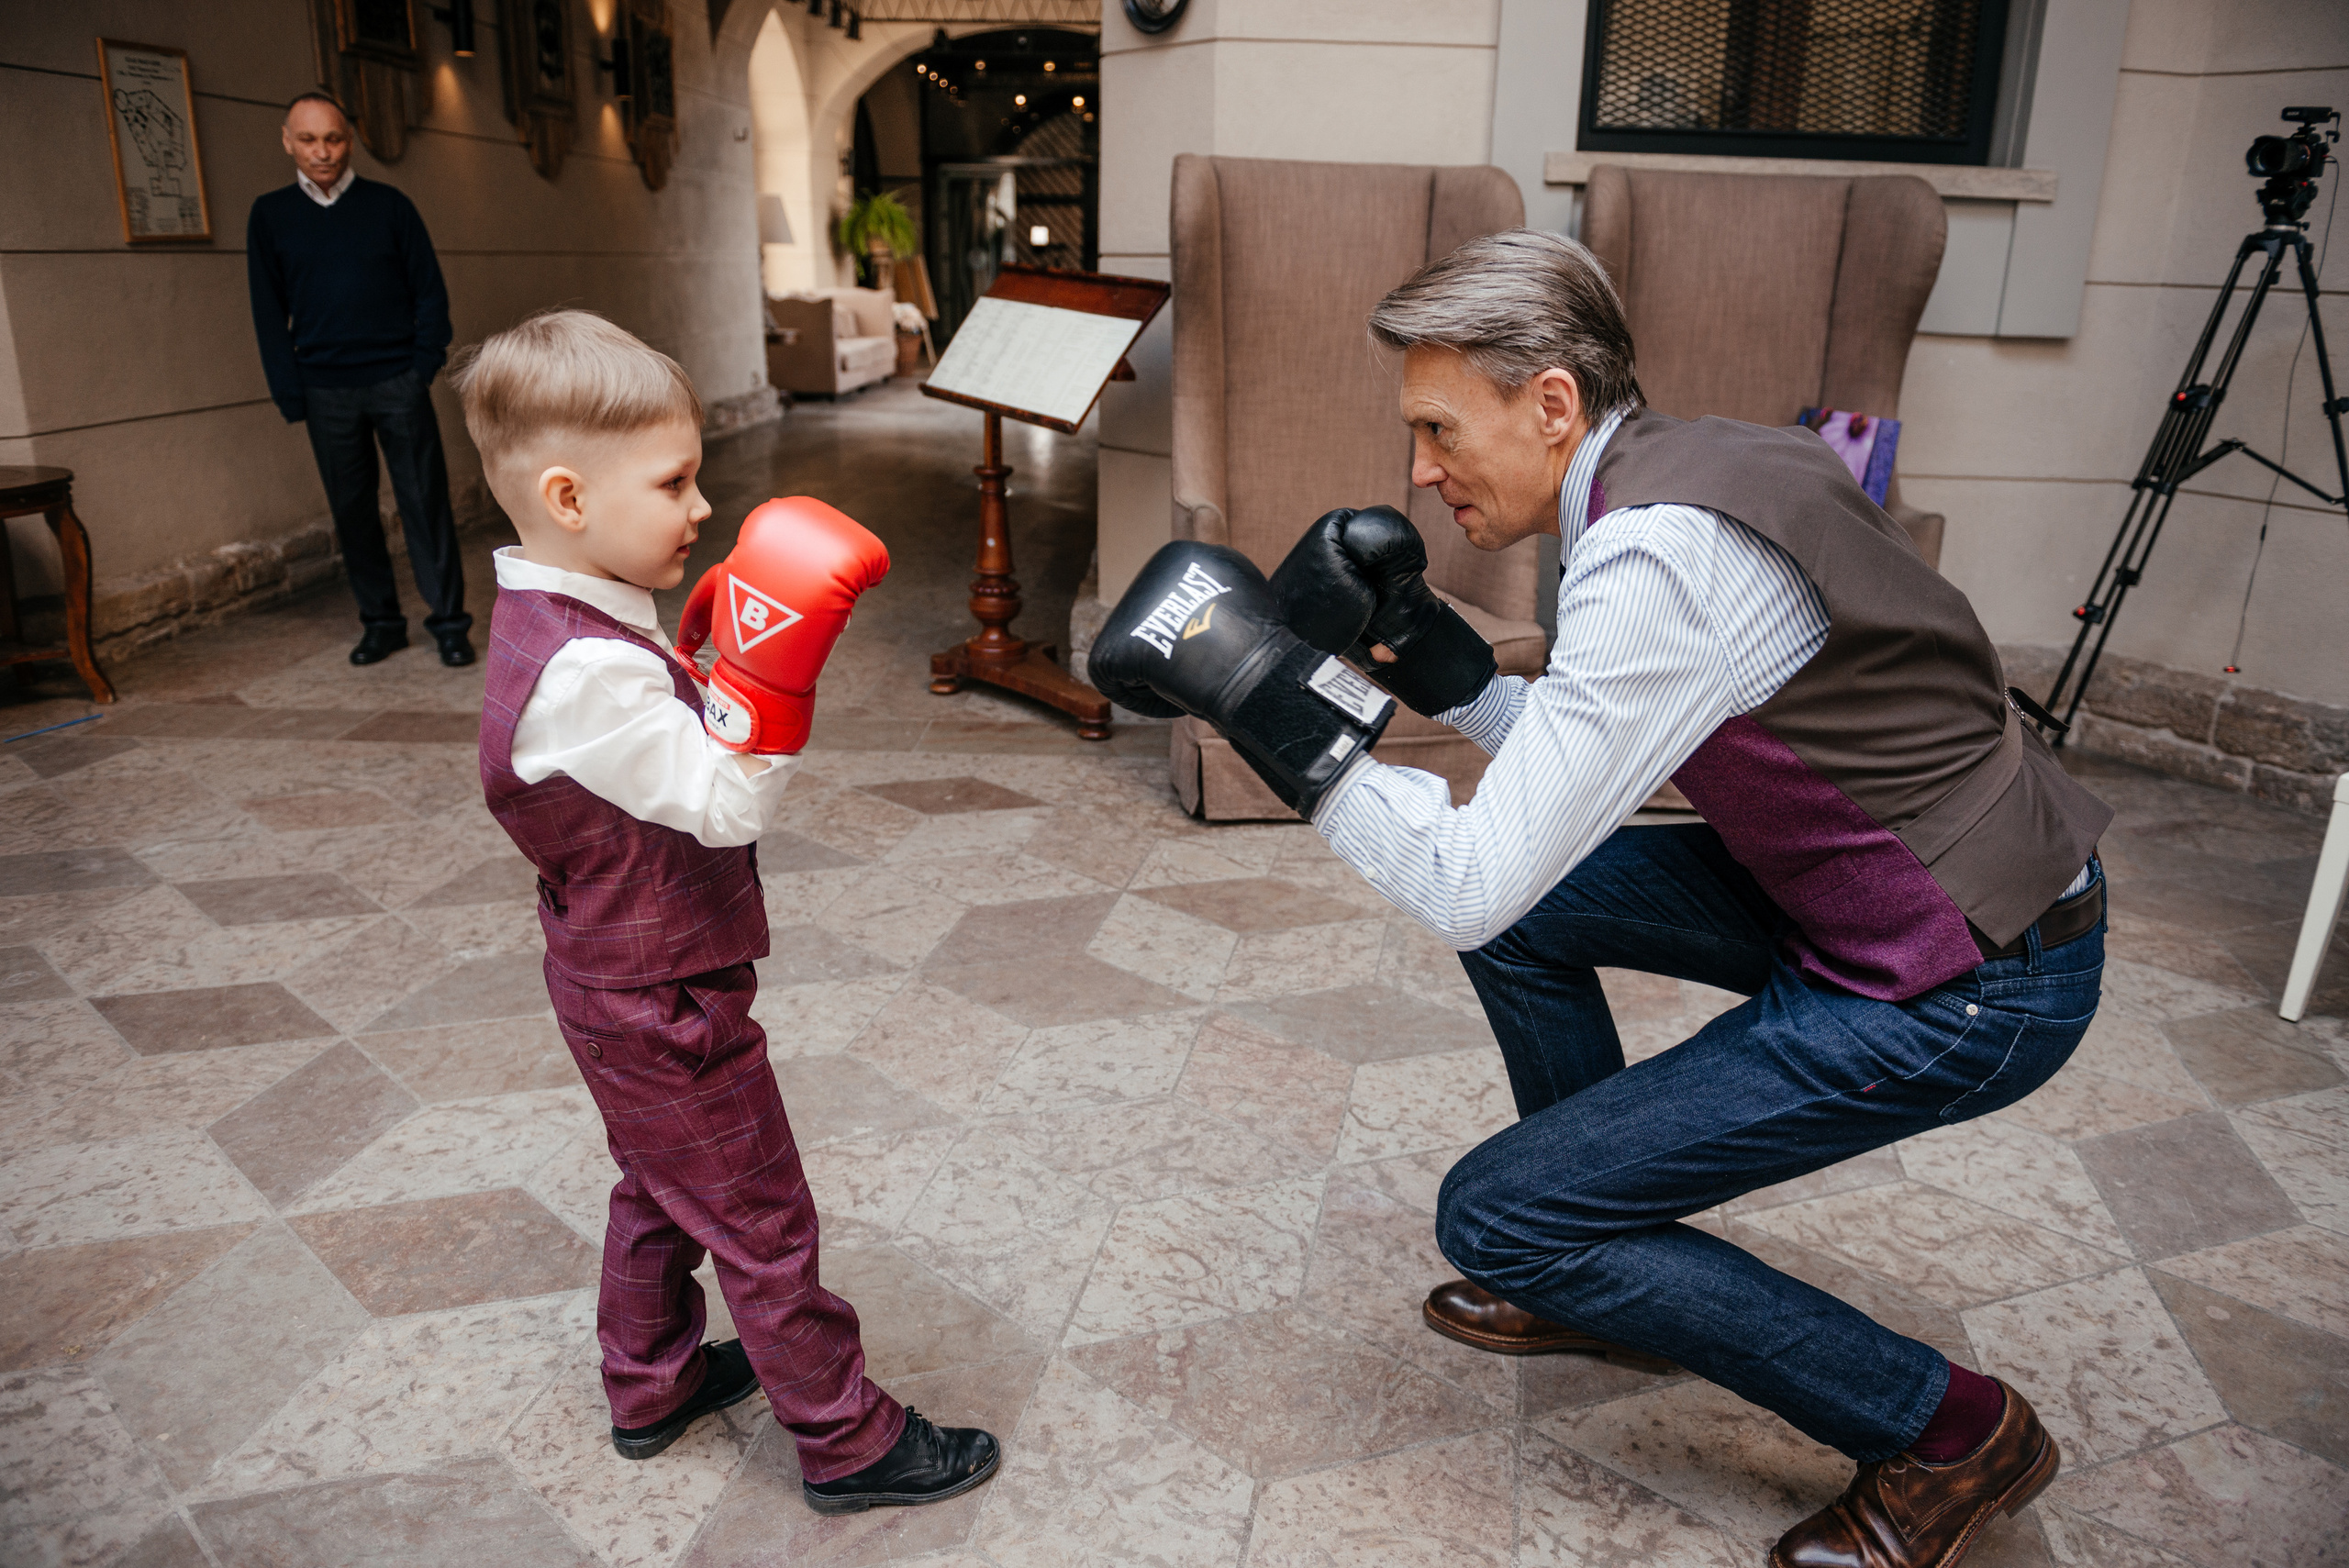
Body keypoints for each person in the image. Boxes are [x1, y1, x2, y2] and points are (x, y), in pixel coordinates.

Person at [1090, 229, 2110, 1568]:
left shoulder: (1660, 564)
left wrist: (1269, 700)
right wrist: (1428, 650)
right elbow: (1581, 773)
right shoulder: (1696, 473)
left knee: (1499, 1212)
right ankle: (1602, 1254)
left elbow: (1466, 879)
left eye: (1441, 425)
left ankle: (1952, 1432)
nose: (1419, 465)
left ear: (1552, 403)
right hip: (1884, 885)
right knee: (1539, 935)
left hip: (1969, 970)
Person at [454, 309, 997, 1513]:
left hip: (614, 972)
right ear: (568, 496)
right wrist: (770, 681)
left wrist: (699, 666)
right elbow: (720, 803)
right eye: (675, 480)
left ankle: (647, 1381)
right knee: (761, 1215)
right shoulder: (587, 670)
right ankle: (847, 1439)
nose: (702, 505)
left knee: (659, 1183)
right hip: (659, 997)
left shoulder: (570, 618)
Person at [247, 91, 472, 667]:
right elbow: (268, 311)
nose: (322, 152)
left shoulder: (390, 207)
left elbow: (430, 293)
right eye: (308, 139)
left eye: (334, 138)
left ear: (350, 139)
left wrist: (422, 365)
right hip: (325, 388)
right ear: (287, 141)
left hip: (398, 379)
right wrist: (290, 389)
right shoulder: (270, 215)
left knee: (425, 504)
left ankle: (448, 623)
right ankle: (382, 623)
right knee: (352, 510)